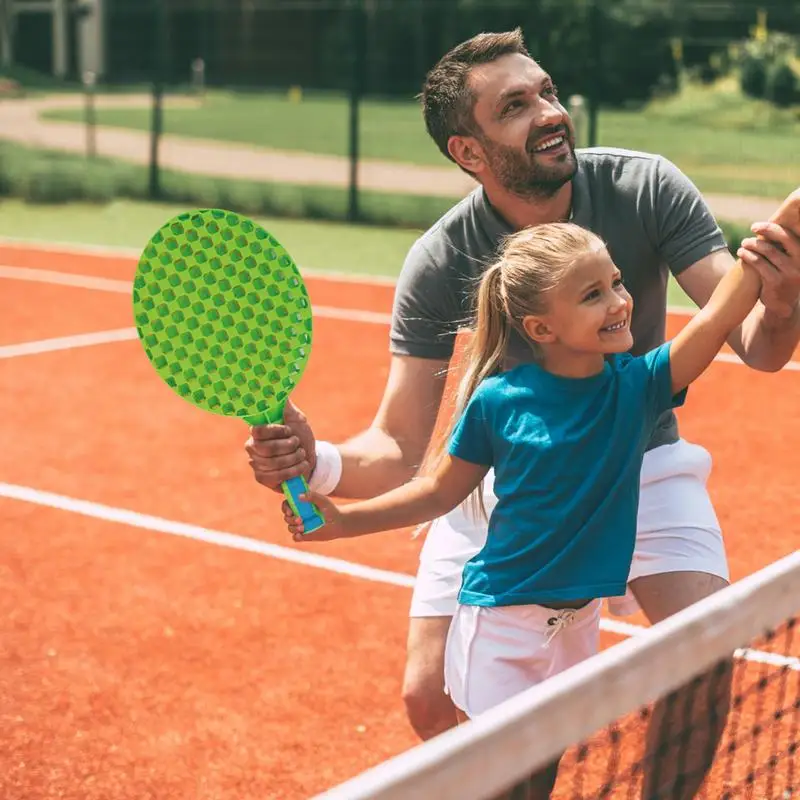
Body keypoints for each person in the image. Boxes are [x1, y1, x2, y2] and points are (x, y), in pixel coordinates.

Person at [245, 28, 800, 798]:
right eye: (515, 106)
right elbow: (402, 447)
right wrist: (321, 465)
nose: (549, 112)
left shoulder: (647, 187)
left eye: (546, 92)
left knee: (702, 652)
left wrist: (779, 302)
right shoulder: (441, 260)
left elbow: (752, 344)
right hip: (507, 478)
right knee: (430, 701)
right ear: (469, 151)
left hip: (641, 458)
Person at [282, 219, 767, 798]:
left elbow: (714, 319)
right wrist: (341, 522)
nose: (619, 301)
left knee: (543, 775)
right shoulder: (498, 402)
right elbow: (438, 492)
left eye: (615, 282)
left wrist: (766, 247)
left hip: (575, 629)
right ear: (541, 327)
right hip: (500, 631)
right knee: (503, 785)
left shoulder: (637, 385)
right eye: (593, 294)